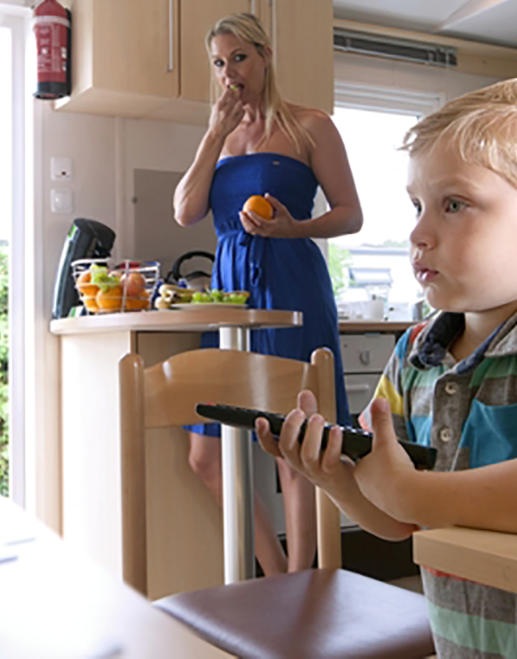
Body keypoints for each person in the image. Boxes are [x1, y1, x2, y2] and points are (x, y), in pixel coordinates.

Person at [257, 77, 517, 658]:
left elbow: (411, 500)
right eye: (417, 206)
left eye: (455, 205)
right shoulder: (413, 355)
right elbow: (396, 522)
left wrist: (413, 492)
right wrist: (341, 482)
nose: (418, 233)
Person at [173, 12, 362, 576]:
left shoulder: (311, 125)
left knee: (295, 444)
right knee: (205, 453)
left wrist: (293, 228)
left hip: (292, 282)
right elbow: (185, 211)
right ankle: (278, 578)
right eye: (219, 62)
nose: (229, 72)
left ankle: (302, 588)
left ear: (265, 56)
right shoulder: (221, 136)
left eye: (239, 58)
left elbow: (350, 214)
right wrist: (212, 132)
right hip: (231, 296)